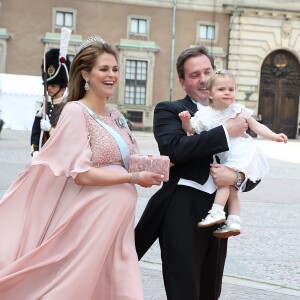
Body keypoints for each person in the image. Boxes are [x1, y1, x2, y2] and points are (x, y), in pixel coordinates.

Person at [0, 36, 164, 299]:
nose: (111, 75)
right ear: (86, 74)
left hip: (118, 223)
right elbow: (82, 174)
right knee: (74, 286)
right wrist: (133, 178)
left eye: (115, 69)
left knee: (119, 286)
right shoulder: (76, 112)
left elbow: (132, 159)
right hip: (90, 219)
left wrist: (165, 160)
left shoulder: (117, 116)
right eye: (104, 69)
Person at [135, 45, 261, 300]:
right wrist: (226, 131)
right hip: (182, 208)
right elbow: (176, 148)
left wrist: (235, 178)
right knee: (183, 287)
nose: (203, 79)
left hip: (218, 211)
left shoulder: (237, 113)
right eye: (194, 75)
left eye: (207, 71)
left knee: (209, 289)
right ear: (182, 81)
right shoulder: (170, 110)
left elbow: (250, 161)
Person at [179, 69, 288, 238]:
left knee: (224, 182)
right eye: (222, 89)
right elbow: (192, 130)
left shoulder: (238, 110)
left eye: (231, 89)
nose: (227, 93)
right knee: (232, 189)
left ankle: (217, 212)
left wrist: (274, 136)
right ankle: (234, 221)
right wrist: (185, 121)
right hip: (225, 154)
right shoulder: (204, 115)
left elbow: (257, 127)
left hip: (242, 150)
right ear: (210, 94)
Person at [30, 48, 70, 157]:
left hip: (60, 157)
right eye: (48, 85)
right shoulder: (45, 106)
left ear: (63, 88)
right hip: (43, 155)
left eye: (53, 85)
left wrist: (51, 129)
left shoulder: (69, 108)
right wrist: (35, 151)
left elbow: (68, 137)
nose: (49, 88)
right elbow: (35, 131)